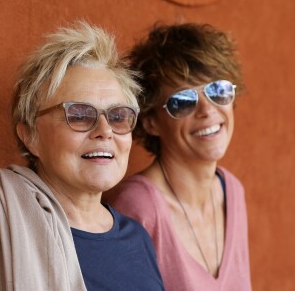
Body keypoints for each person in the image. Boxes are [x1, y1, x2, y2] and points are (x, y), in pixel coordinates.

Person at [0, 21, 164, 290]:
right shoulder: (3, 221)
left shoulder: (139, 238)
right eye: (79, 114)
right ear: (30, 135)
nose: (105, 130)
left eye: (118, 116)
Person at [106, 23, 252, 290]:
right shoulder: (138, 207)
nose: (208, 110)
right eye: (183, 101)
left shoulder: (232, 191)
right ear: (151, 122)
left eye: (218, 91)